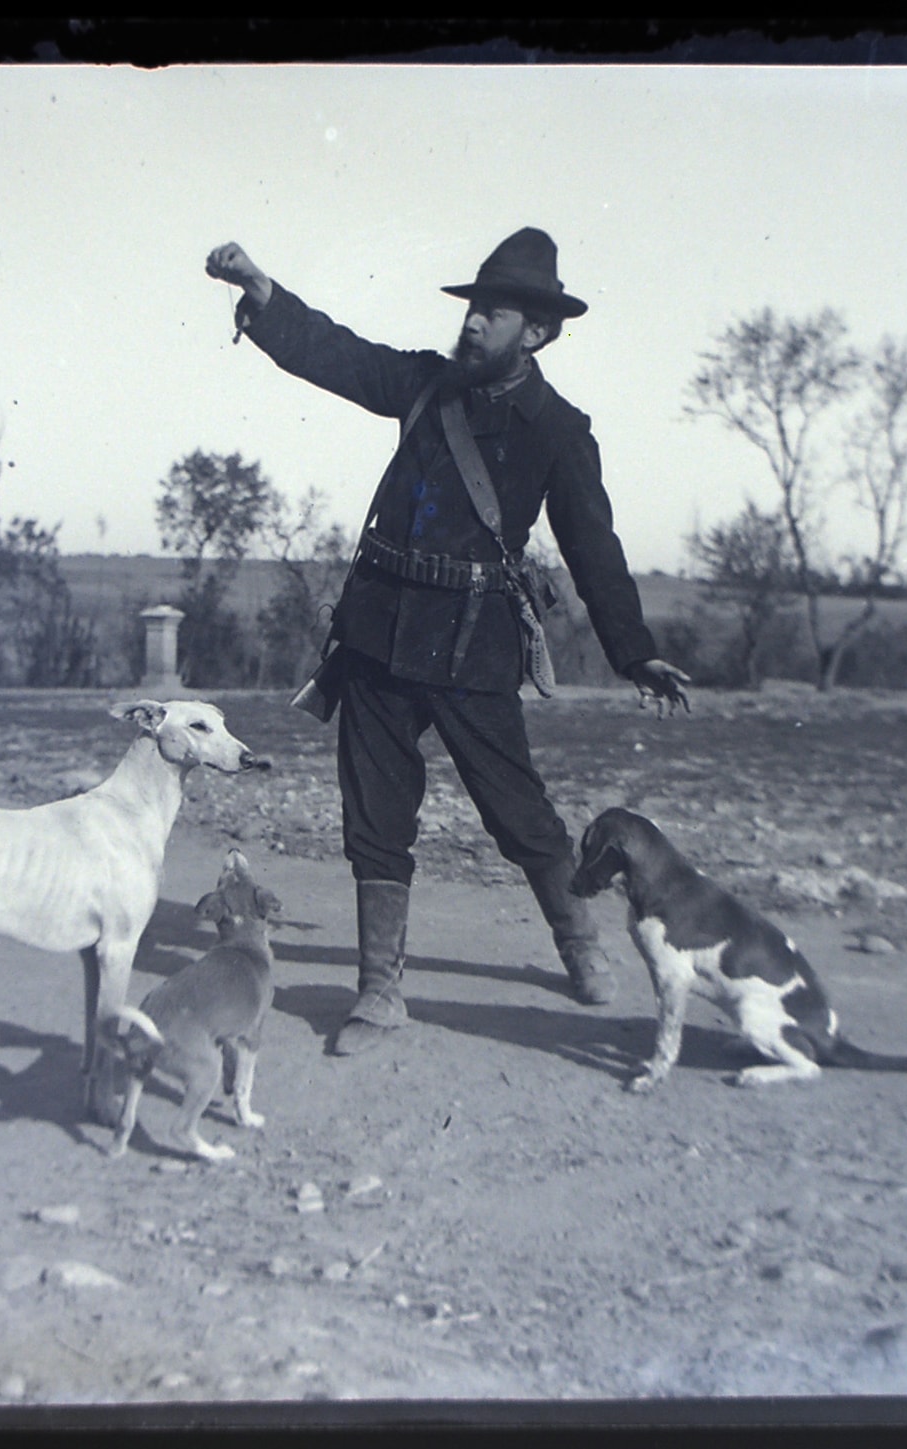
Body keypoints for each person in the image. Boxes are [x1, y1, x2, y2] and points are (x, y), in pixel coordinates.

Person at [206, 228, 691, 1056]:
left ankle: (577, 940)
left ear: (536, 333)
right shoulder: (424, 386)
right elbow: (337, 354)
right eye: (472, 309)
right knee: (374, 814)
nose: (470, 324)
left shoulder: (558, 430)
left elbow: (593, 548)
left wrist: (633, 649)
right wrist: (260, 291)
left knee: (518, 812)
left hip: (474, 649)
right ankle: (378, 989)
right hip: (376, 637)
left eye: (491, 314)